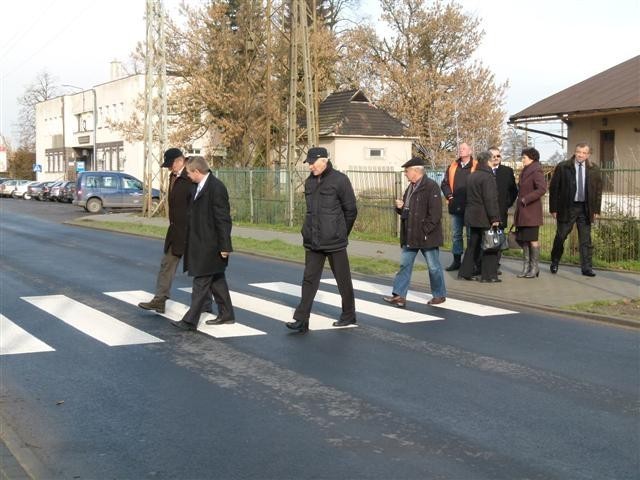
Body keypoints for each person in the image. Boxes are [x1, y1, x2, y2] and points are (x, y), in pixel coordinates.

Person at [286, 147, 358, 334]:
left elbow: (351, 211)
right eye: (308, 163)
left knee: (343, 279)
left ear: (324, 160)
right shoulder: (310, 182)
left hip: (335, 240)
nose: (310, 166)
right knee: (309, 280)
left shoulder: (340, 180)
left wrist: (341, 232)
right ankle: (302, 320)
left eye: (312, 163)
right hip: (313, 240)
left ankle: (349, 314)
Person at [138, 148, 211, 314]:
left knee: (200, 269)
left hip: (193, 232)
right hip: (176, 231)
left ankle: (205, 304)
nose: (169, 169)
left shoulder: (193, 176)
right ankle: (159, 300)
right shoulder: (174, 176)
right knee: (166, 264)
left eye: (171, 165)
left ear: (180, 161)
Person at [172, 156, 235, 331]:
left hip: (211, 245)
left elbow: (223, 220)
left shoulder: (216, 188)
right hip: (199, 242)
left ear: (197, 172)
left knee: (201, 281)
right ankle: (227, 314)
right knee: (217, 280)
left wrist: (225, 246)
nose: (188, 177)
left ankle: (190, 321)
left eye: (189, 173)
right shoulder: (196, 186)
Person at [382, 157, 447, 308]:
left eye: (407, 171)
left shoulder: (431, 187)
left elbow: (436, 214)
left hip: (426, 236)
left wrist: (425, 230)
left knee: (433, 267)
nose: (405, 174)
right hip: (410, 235)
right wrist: (400, 207)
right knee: (405, 265)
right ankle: (399, 295)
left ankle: (439, 295)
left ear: (416, 171)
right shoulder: (410, 187)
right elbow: (407, 211)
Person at [549, 143, 603, 277]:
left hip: (585, 208)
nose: (581, 155)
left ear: (588, 154)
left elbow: (598, 191)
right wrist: (553, 208)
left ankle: (586, 268)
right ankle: (555, 261)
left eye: (584, 153)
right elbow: (554, 188)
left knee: (585, 240)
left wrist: (595, 210)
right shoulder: (563, 167)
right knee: (561, 236)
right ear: (575, 152)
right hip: (567, 207)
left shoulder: (593, 169)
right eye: (579, 152)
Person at [457, 150, 501, 282]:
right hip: (484, 217)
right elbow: (490, 199)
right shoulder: (488, 177)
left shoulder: (472, 176)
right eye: (492, 158)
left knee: (473, 245)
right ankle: (488, 275)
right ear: (488, 161)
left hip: (472, 216)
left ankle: (466, 272)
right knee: (490, 245)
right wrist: (495, 218)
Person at [440, 142, 477, 271]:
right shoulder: (453, 166)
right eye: (460, 148)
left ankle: (471, 261)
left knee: (471, 235)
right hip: (455, 207)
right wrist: (449, 197)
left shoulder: (476, 166)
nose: (461, 150)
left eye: (464, 148)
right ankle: (456, 261)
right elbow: (444, 183)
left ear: (470, 151)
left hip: (472, 208)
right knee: (456, 235)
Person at [513, 147, 547, 278]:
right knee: (524, 240)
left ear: (531, 158)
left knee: (532, 239)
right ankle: (526, 267)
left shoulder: (536, 171)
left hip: (531, 211)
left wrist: (526, 199)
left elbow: (542, 189)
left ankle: (534, 267)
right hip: (523, 211)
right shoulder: (525, 171)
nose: (522, 160)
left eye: (524, 157)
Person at [488, 146, 518, 274]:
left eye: (498, 156)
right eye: (493, 156)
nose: (496, 158)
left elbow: (513, 191)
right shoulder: (483, 170)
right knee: (485, 238)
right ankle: (484, 264)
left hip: (500, 211)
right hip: (485, 212)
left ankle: (495, 264)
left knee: (498, 238)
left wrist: (507, 203)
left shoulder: (507, 171)